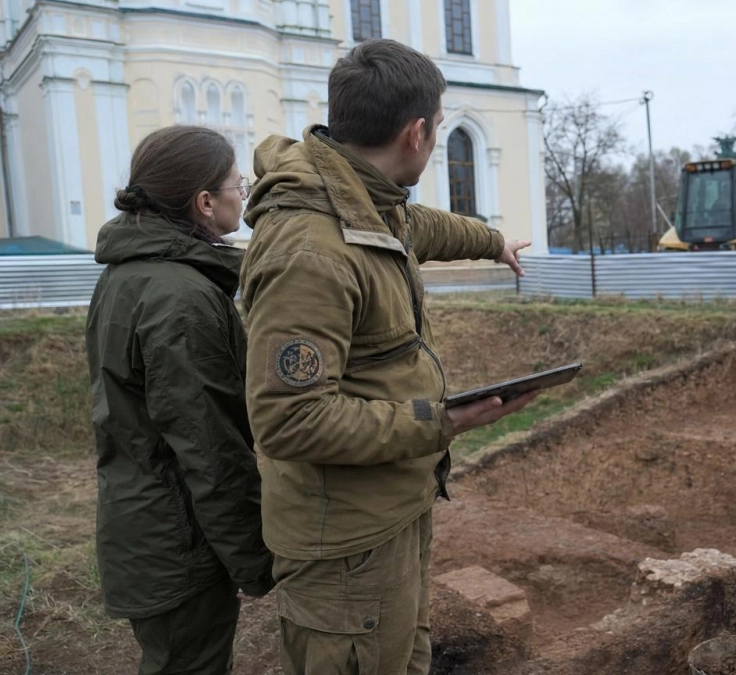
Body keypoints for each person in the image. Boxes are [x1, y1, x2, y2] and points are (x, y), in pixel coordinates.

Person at [240, 39, 537, 674]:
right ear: (419, 132)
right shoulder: (312, 249)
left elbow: (422, 226)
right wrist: (443, 421)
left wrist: (493, 242)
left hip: (388, 508)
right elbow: (290, 420)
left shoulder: (365, 200)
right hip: (347, 546)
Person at [85, 126, 275, 675]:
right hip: (177, 539)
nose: (245, 193)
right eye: (238, 183)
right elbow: (208, 447)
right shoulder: (181, 298)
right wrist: (256, 560)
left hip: (146, 523)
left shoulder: (130, 275)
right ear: (205, 202)